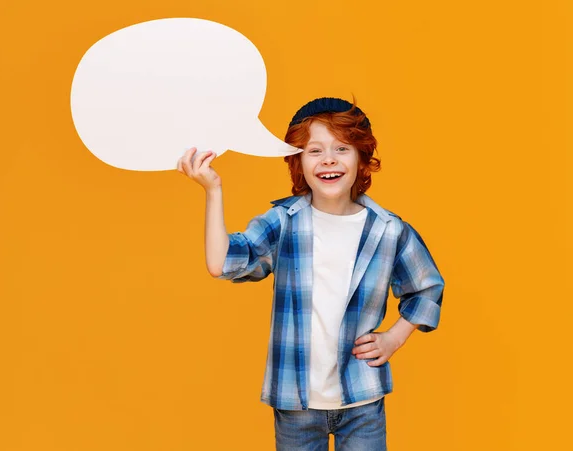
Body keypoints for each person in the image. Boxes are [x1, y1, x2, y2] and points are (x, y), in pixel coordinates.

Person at [177, 97, 445, 450]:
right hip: (295, 402)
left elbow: (427, 287)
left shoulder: (388, 230)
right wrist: (213, 190)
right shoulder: (283, 222)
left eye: (342, 148)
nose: (329, 159)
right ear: (298, 162)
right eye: (314, 150)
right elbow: (221, 262)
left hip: (362, 399)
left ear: (362, 158)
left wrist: (394, 338)